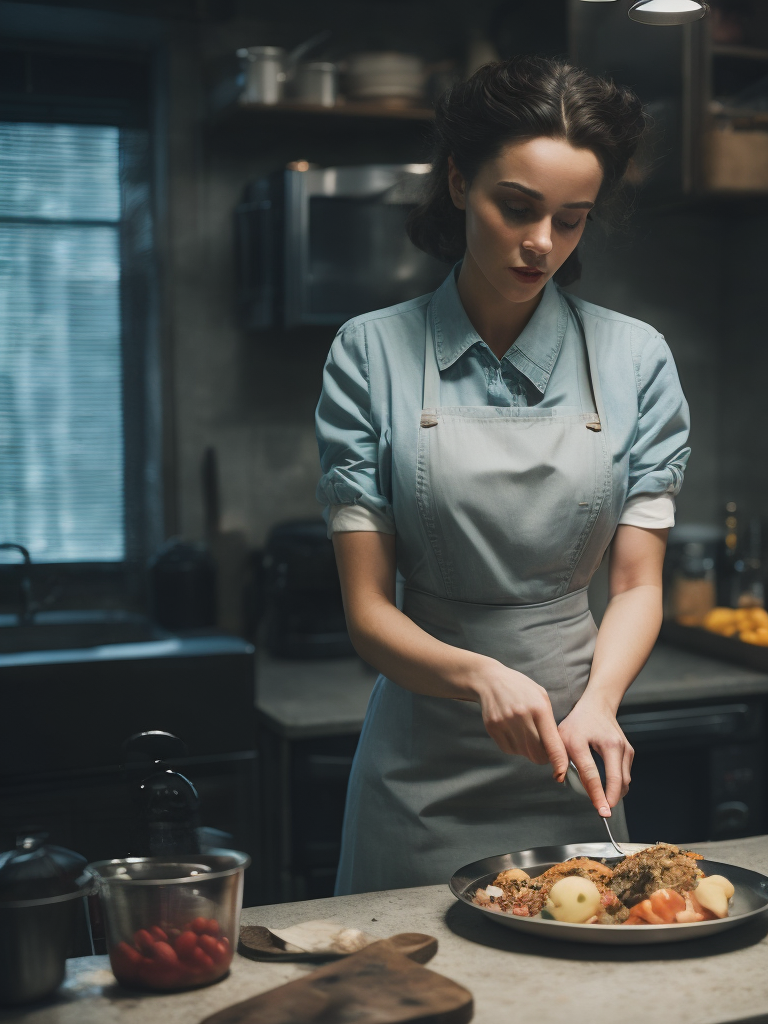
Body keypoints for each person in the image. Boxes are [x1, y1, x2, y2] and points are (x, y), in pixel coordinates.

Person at [315, 55, 691, 896]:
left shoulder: (637, 359)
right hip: (418, 772)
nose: (540, 244)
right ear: (457, 183)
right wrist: (480, 675)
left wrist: (600, 703)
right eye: (516, 208)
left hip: (574, 751)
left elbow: (635, 587)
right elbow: (370, 615)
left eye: (571, 220)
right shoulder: (368, 353)